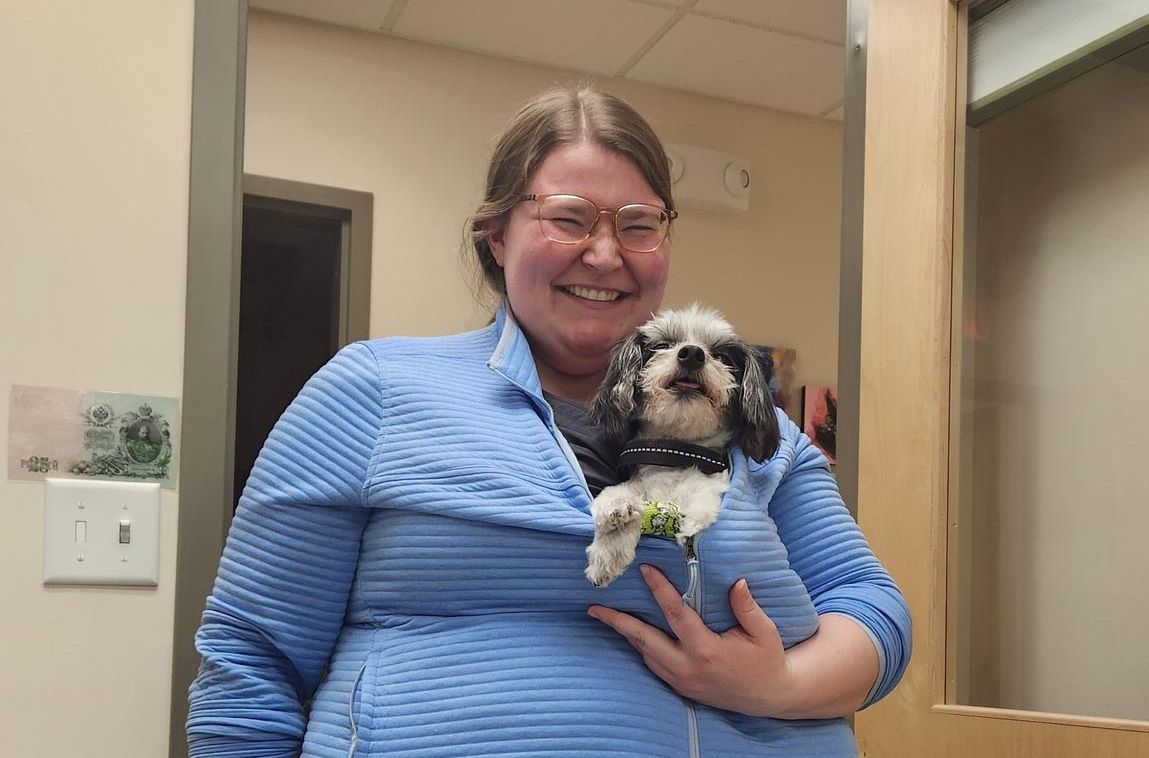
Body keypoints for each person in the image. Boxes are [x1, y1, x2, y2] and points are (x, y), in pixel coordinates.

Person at [186, 84, 911, 758]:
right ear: (496, 235)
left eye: (639, 225)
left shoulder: (755, 430)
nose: (606, 253)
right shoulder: (373, 389)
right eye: (568, 218)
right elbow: (252, 660)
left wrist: (775, 685)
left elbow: (874, 612)